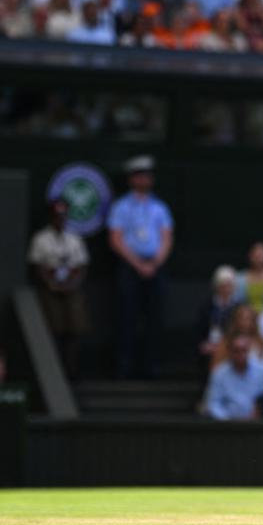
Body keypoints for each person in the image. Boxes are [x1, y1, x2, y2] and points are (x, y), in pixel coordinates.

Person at [108, 155, 173, 379]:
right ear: (132, 179)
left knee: (155, 318)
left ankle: (152, 367)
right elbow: (116, 239)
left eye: (148, 175)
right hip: (130, 267)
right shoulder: (121, 207)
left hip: (155, 267)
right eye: (140, 175)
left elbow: (166, 238)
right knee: (127, 317)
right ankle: (124, 367)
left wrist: (154, 263)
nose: (145, 179)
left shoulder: (160, 207)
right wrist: (137, 264)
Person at [28, 198, 90, 377]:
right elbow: (37, 266)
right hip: (50, 290)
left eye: (63, 216)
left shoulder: (74, 239)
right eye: (57, 216)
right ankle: (52, 371)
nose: (60, 220)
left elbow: (81, 266)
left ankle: (71, 370)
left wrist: (71, 283)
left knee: (75, 328)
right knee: (53, 329)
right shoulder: (41, 239)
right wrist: (51, 283)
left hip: (71, 289)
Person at [204, 334, 263, 420]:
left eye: (243, 351)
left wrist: (258, 414)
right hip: (226, 425)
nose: (240, 355)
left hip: (256, 423)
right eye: (236, 351)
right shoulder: (219, 373)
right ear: (230, 352)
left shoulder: (261, 372)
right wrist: (226, 419)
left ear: (249, 352)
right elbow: (213, 403)